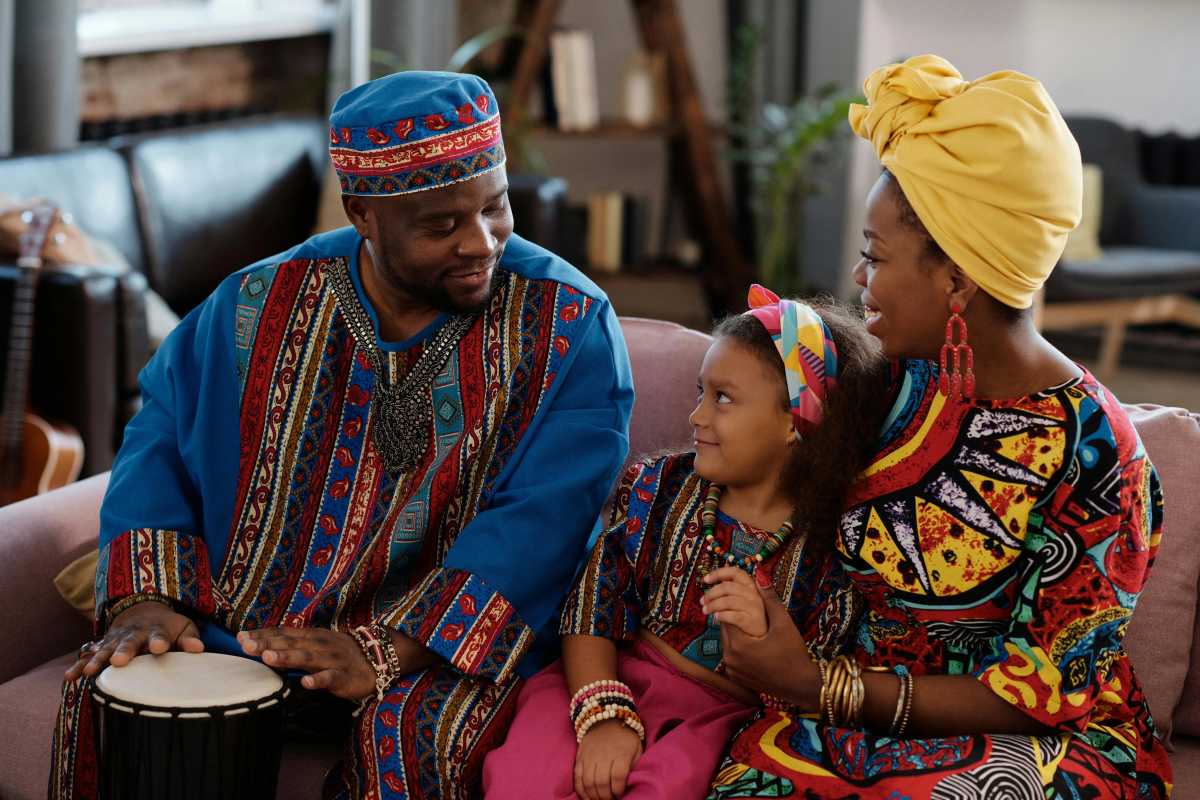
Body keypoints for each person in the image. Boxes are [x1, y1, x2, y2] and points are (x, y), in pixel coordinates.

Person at [49, 70, 635, 800]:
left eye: (496, 207)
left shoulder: (568, 323)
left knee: (418, 737)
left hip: (446, 645)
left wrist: (395, 647)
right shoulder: (252, 305)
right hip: (252, 621)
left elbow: (549, 516)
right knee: (119, 693)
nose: (481, 242)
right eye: (441, 225)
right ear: (364, 215)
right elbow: (161, 435)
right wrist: (147, 600)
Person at [706, 54, 1172, 799]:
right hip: (851, 722)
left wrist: (820, 685)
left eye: (874, 256)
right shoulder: (883, 379)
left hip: (1036, 746)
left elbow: (1045, 694)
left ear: (957, 278)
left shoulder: (1099, 455)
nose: (859, 280)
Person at [483, 287, 892, 799]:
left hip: (718, 720)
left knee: (670, 786)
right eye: (700, 392)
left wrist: (763, 632)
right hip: (610, 680)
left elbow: (817, 676)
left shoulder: (832, 544)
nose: (697, 416)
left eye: (722, 398)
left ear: (794, 420)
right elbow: (590, 609)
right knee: (525, 775)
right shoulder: (657, 493)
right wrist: (603, 714)